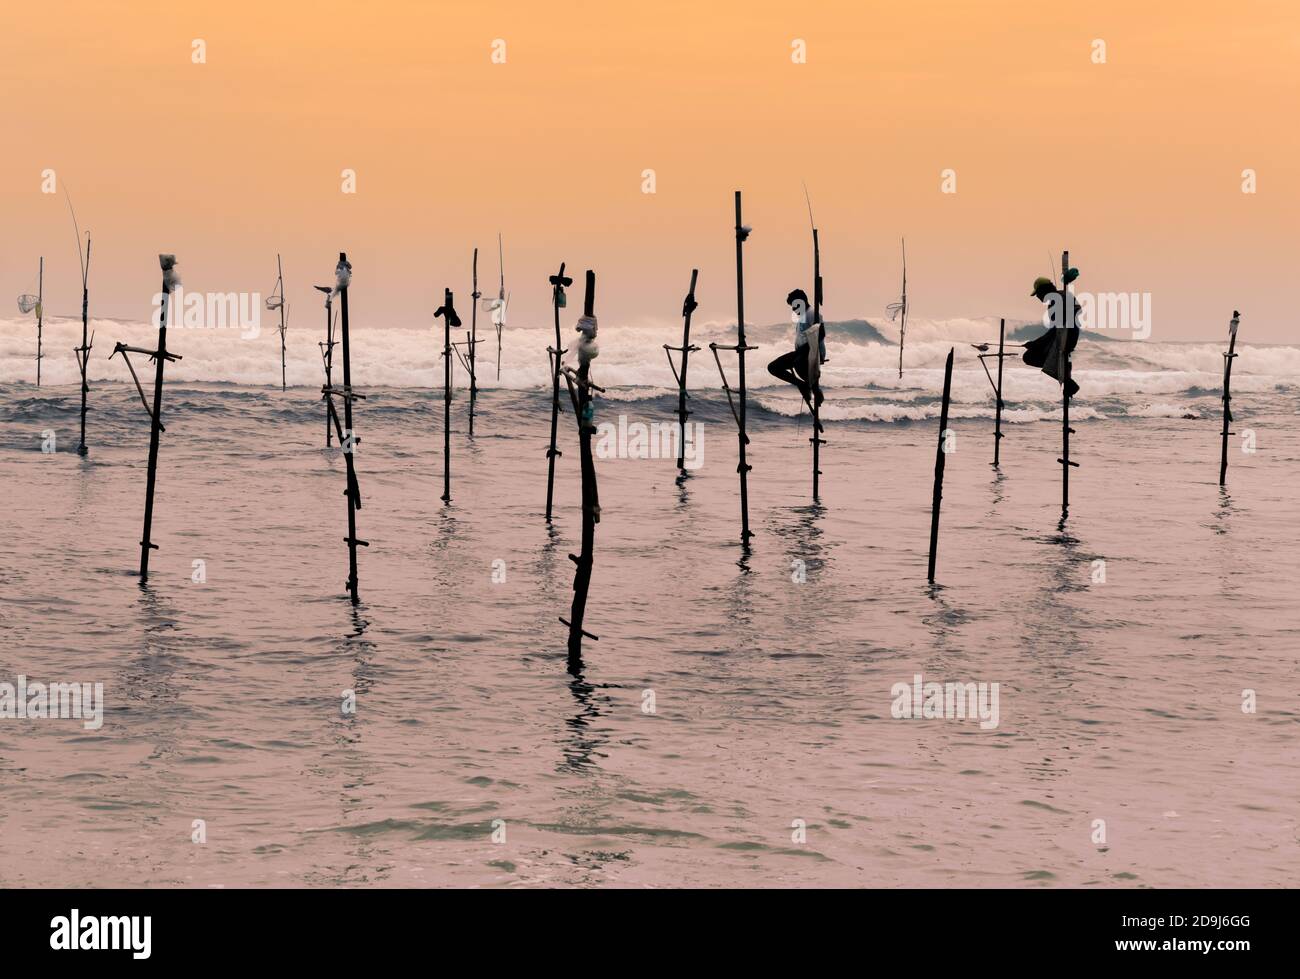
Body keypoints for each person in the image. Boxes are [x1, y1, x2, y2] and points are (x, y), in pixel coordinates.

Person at [1023, 274, 1080, 399]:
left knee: (1029, 357)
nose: (1037, 296)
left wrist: (1035, 343)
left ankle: (1068, 381)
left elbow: (1055, 330)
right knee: (1053, 361)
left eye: (1038, 293)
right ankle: (1066, 379)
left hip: (1064, 337)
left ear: (1044, 290)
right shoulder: (1064, 296)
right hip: (1072, 337)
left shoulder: (1055, 301)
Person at [767, 288, 826, 408]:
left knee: (798, 362)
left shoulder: (812, 314)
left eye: (794, 306)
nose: (793, 309)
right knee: (773, 367)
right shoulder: (803, 316)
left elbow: (821, 334)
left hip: (811, 352)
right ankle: (802, 385)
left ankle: (815, 389)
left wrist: (805, 350)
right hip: (800, 352)